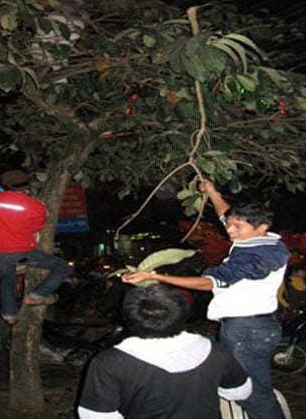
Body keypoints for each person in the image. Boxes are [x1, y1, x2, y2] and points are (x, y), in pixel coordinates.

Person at [122, 178, 289, 419]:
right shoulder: (257, 238)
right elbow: (225, 213)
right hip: (249, 326)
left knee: (254, 394)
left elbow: (209, 282)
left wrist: (153, 275)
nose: (229, 230)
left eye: (237, 227)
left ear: (260, 227)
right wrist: (212, 191)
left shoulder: (257, 256)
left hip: (247, 330)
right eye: (230, 225)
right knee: (219, 367)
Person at [77, 283, 252, 418]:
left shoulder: (109, 362)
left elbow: (94, 415)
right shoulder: (214, 351)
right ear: (183, 314)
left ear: (128, 318)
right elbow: (240, 391)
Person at [0, 170, 73, 325]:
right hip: (20, 254)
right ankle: (37, 295)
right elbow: (38, 226)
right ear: (26, 185)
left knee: (7, 278)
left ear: (4, 185)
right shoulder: (35, 205)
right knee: (62, 267)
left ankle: (9, 314)